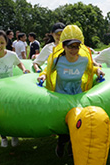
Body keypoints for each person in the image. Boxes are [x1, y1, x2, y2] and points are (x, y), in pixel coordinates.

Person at [38, 24, 104, 157]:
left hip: (77, 94)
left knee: (77, 120)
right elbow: (48, 70)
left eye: (76, 47)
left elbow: (90, 68)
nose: (73, 50)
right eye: (70, 46)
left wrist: (98, 71)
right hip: (61, 95)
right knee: (63, 122)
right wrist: (43, 76)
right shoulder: (58, 60)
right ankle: (62, 143)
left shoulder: (83, 60)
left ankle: (72, 147)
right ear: (64, 46)